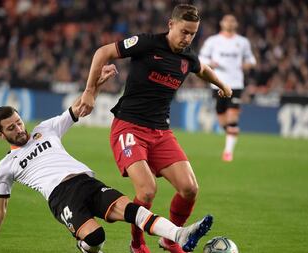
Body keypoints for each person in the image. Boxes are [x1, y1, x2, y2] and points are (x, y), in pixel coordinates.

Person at [0, 65, 213, 253]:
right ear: (1, 135)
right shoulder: (6, 166)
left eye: (18, 122)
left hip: (86, 181)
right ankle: (86, 246)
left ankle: (178, 235)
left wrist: (96, 85)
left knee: (133, 211)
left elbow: (79, 107)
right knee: (95, 238)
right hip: (61, 197)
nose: (18, 129)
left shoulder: (44, 129)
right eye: (11, 128)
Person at [78, 4, 232, 253]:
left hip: (160, 131)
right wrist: (89, 91)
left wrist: (223, 85)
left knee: (190, 188)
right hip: (128, 127)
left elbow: (202, 69)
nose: (187, 38)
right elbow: (102, 52)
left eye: (193, 33)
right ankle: (136, 243)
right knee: (147, 190)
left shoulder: (187, 57)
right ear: (170, 24)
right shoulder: (147, 43)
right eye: (184, 31)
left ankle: (170, 238)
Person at [198, 14, 256, 162]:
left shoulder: (242, 42)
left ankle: (228, 151)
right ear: (221, 23)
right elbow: (201, 59)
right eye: (227, 20)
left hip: (235, 84)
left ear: (236, 24)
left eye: (232, 21)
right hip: (217, 83)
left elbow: (251, 60)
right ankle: (231, 133)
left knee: (232, 118)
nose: (229, 23)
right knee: (222, 117)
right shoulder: (213, 41)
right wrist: (211, 62)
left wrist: (246, 65)